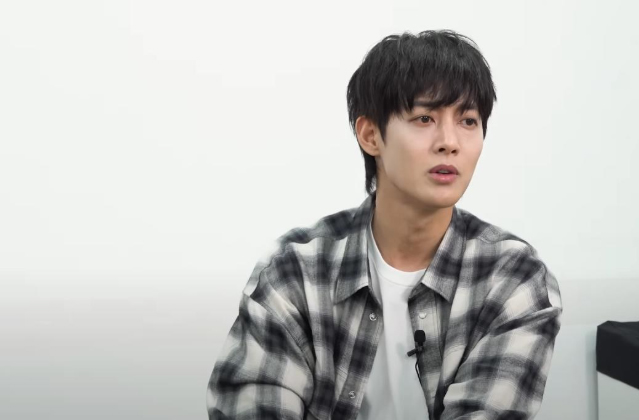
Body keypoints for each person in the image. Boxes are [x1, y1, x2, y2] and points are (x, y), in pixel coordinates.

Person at [206, 29, 562, 420]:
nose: (450, 142)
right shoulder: (295, 271)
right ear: (370, 135)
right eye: (425, 118)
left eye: (468, 120)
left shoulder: (513, 279)